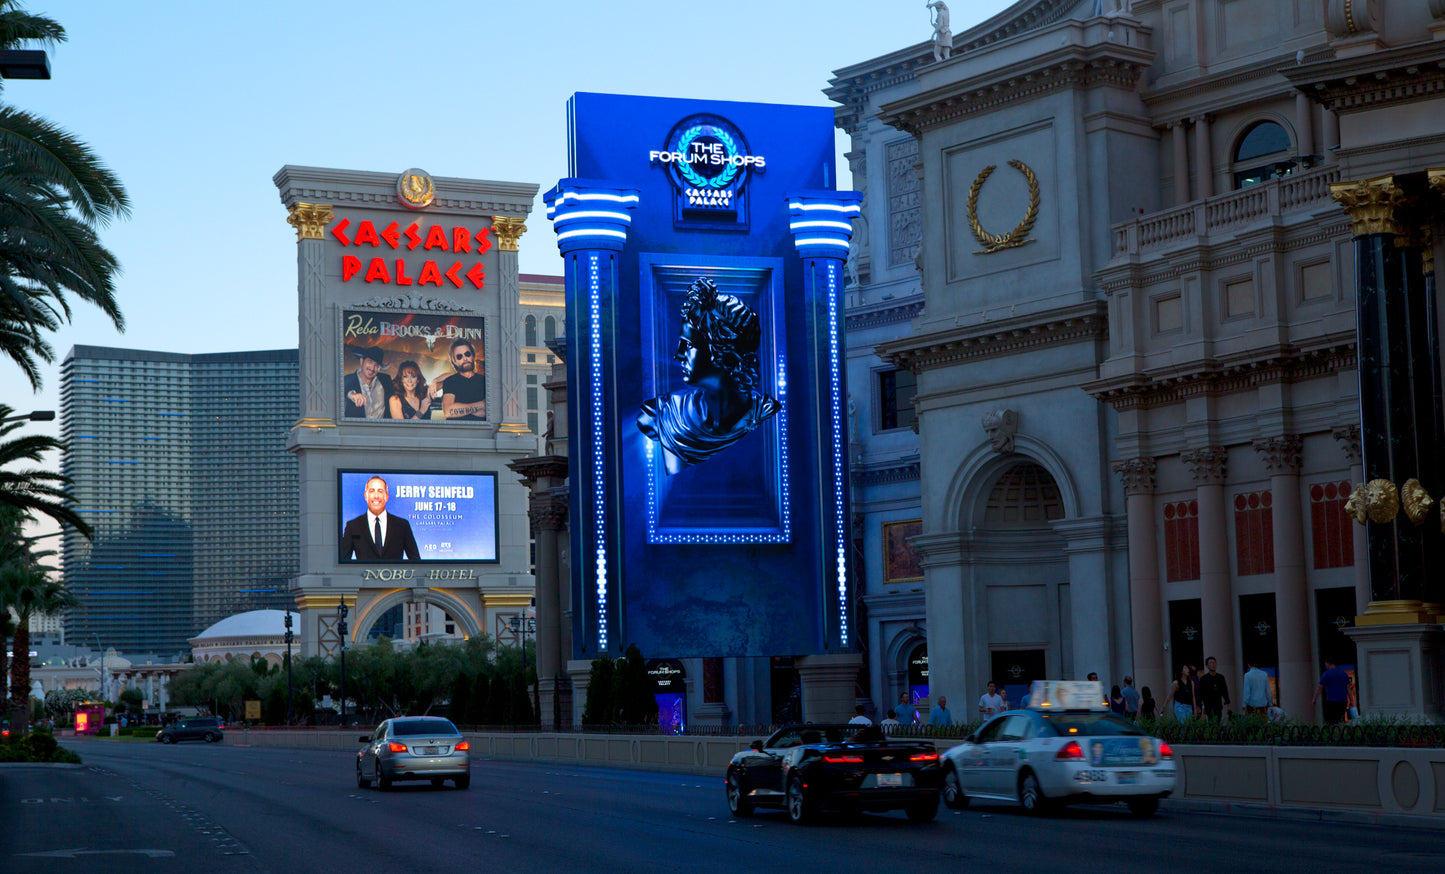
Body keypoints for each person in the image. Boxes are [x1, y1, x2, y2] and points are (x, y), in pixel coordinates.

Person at [636, 277, 782, 475]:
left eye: (688, 345)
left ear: (723, 352)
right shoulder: (660, 415)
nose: (678, 355)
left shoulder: (765, 411)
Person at [339, 475, 421, 561]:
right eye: (371, 491)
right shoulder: (353, 526)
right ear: (365, 496)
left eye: (380, 491)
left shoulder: (402, 525)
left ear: (387, 497)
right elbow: (343, 561)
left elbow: (416, 561)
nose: (376, 496)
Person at [430, 338, 486, 420]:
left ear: (473, 355)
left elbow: (486, 412)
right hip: (456, 431)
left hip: (481, 431)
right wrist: (481, 405)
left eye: (467, 354)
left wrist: (460, 408)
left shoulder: (484, 381)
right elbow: (448, 411)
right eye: (459, 357)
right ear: (455, 361)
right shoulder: (450, 381)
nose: (465, 358)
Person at [344, 346, 393, 418]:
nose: (372, 368)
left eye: (376, 365)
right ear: (361, 361)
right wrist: (351, 394)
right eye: (369, 362)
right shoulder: (347, 380)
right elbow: (337, 393)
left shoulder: (386, 380)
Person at [1312, 658, 1351, 724]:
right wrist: (1352, 700)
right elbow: (1348, 688)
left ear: (1328, 663)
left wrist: (1314, 698)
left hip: (1332, 701)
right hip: (1343, 700)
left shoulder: (1326, 674)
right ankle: (1341, 731)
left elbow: (1320, 688)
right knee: (1341, 719)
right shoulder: (1343, 673)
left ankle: (1334, 732)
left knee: (1331, 720)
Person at [1197, 656, 1231, 721]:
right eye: (1210, 663)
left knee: (1218, 720)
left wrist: (1228, 704)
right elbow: (1200, 693)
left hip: (1218, 704)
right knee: (1211, 721)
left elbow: (1225, 691)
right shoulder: (1204, 679)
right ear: (1207, 666)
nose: (1213, 665)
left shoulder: (1220, 677)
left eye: (1214, 663)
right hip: (1208, 705)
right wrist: (1199, 706)